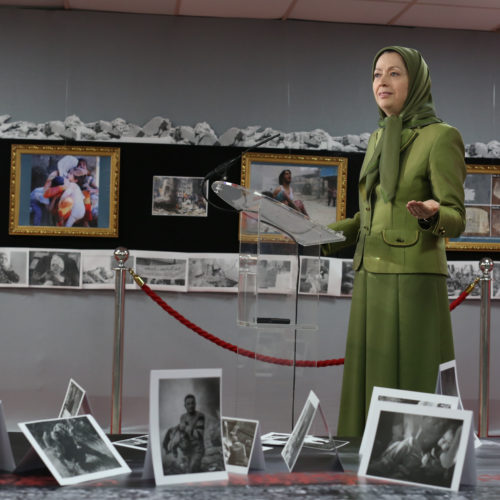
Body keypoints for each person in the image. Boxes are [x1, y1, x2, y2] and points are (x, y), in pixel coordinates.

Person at [323, 46, 466, 437]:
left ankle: (413, 463)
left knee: (413, 376)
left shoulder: (442, 137)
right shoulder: (377, 139)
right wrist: (322, 235)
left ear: (416, 82)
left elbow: (456, 218)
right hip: (370, 277)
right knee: (370, 379)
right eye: (376, 74)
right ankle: (362, 455)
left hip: (414, 280)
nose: (382, 82)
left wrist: (433, 214)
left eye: (394, 74)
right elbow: (367, 216)